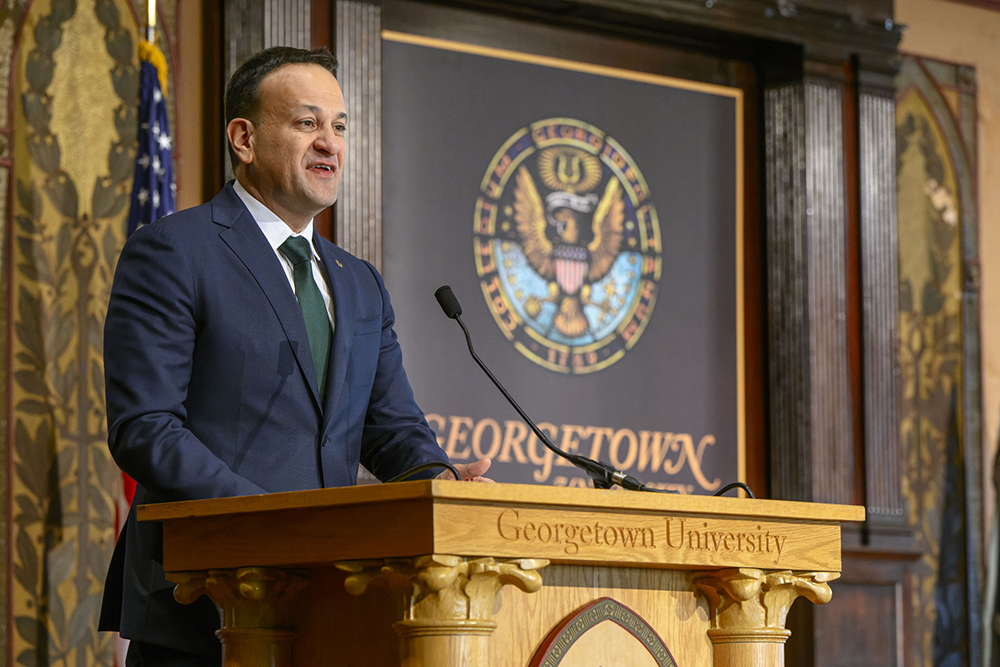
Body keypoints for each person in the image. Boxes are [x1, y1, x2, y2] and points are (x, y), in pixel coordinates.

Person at [98, 46, 490, 666]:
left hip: (332, 605)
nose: (329, 145)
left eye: (339, 126)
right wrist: (271, 524)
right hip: (206, 604)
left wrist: (439, 481)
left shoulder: (358, 282)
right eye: (307, 124)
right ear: (244, 138)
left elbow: (391, 432)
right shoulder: (174, 251)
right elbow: (145, 428)